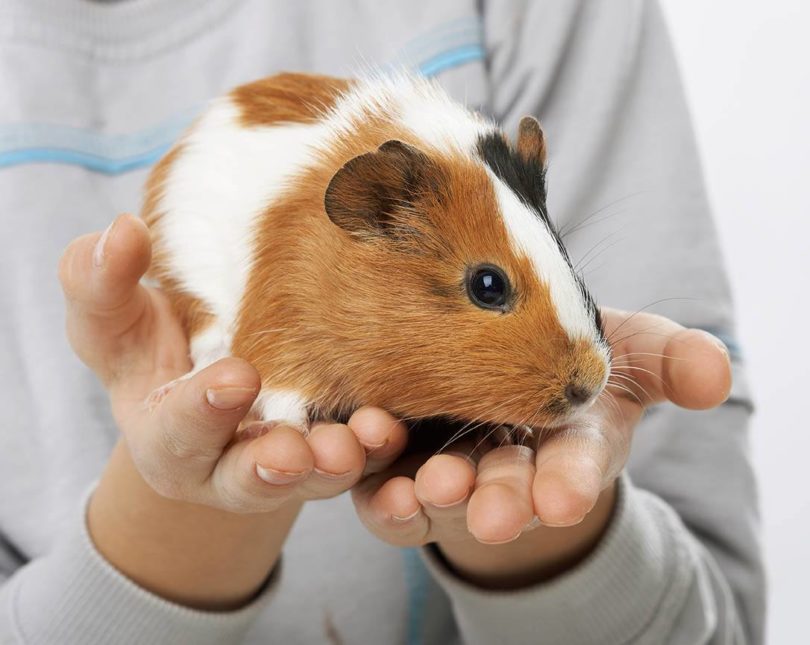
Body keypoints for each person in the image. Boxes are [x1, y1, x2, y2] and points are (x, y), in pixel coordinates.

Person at [0, 1, 764, 643]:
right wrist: (180, 511)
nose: (584, 372)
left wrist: (547, 538)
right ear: (370, 220)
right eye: (490, 287)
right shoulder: (305, 252)